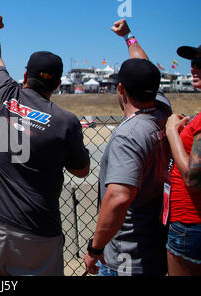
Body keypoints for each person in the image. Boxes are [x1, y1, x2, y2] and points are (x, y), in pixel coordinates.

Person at [0, 14, 90, 276]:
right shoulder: (65, 121)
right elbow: (81, 170)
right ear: (57, 84)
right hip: (37, 230)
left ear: (25, 75)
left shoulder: (3, 92)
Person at [84, 19, 172, 276]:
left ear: (120, 89)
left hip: (126, 255)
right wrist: (128, 36)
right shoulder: (161, 112)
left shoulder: (129, 135)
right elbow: (145, 68)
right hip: (153, 244)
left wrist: (95, 249)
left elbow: (119, 197)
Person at [164, 44, 201, 276]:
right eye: (194, 62)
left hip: (191, 223)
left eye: (200, 63)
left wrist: (171, 133)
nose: (193, 68)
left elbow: (193, 177)